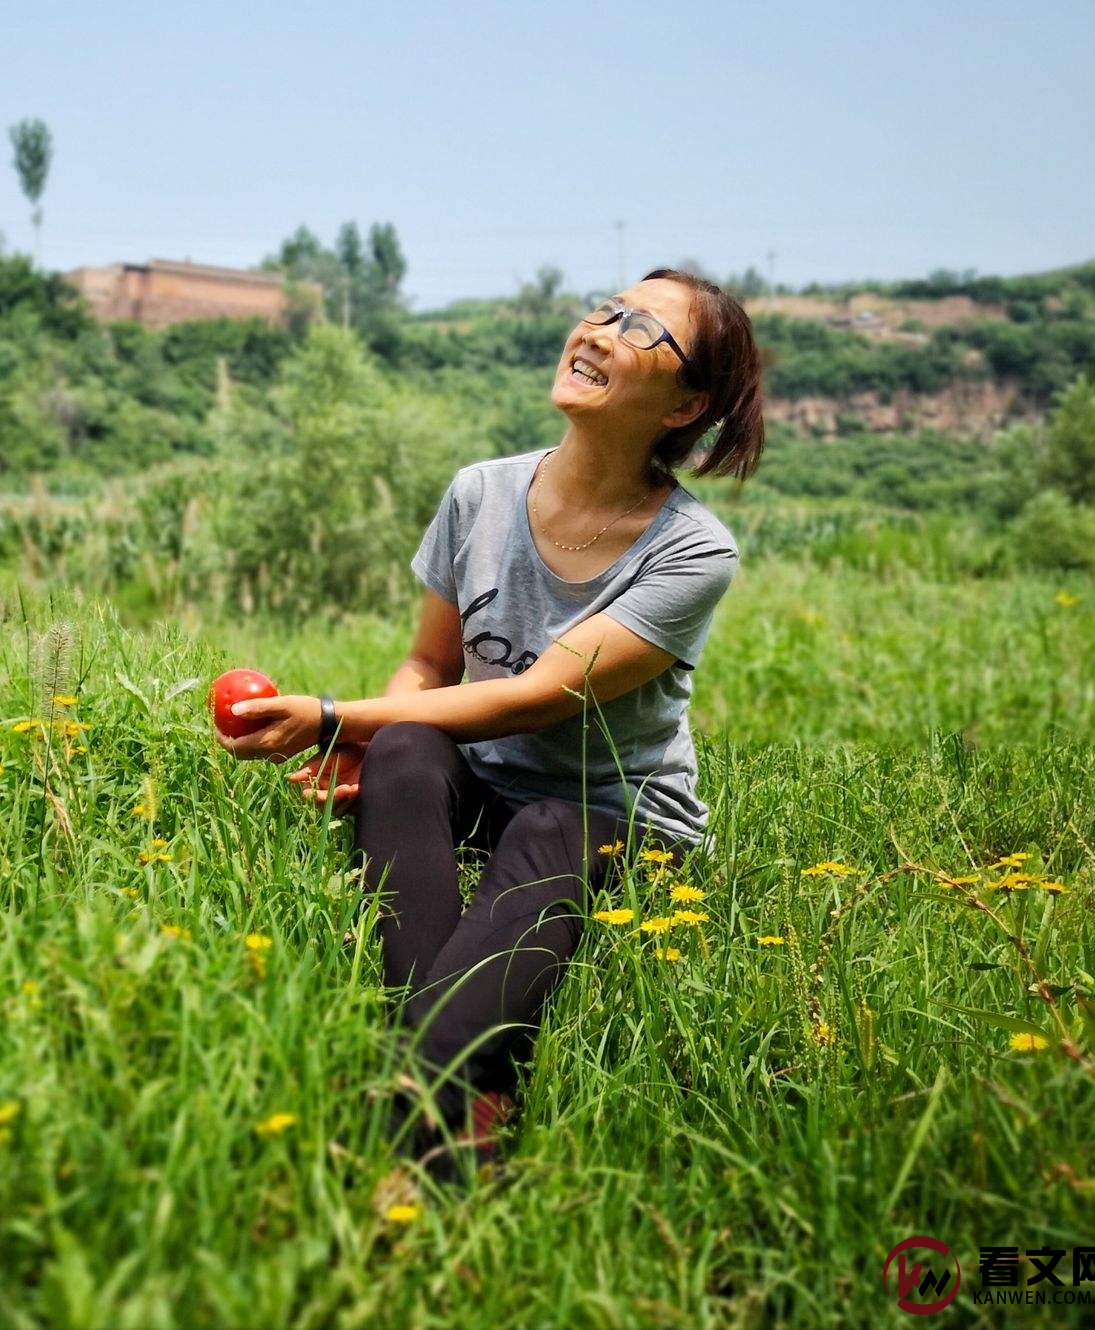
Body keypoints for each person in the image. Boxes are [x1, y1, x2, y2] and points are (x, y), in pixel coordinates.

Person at [214, 268, 766, 1180]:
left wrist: (325, 716)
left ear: (685, 404)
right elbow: (430, 668)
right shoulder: (480, 493)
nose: (596, 329)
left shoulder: (692, 550)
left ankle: (416, 1097)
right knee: (402, 742)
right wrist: (359, 737)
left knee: (551, 823)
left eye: (638, 328)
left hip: (617, 817)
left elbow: (539, 695)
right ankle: (461, 1088)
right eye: (604, 307)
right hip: (487, 785)